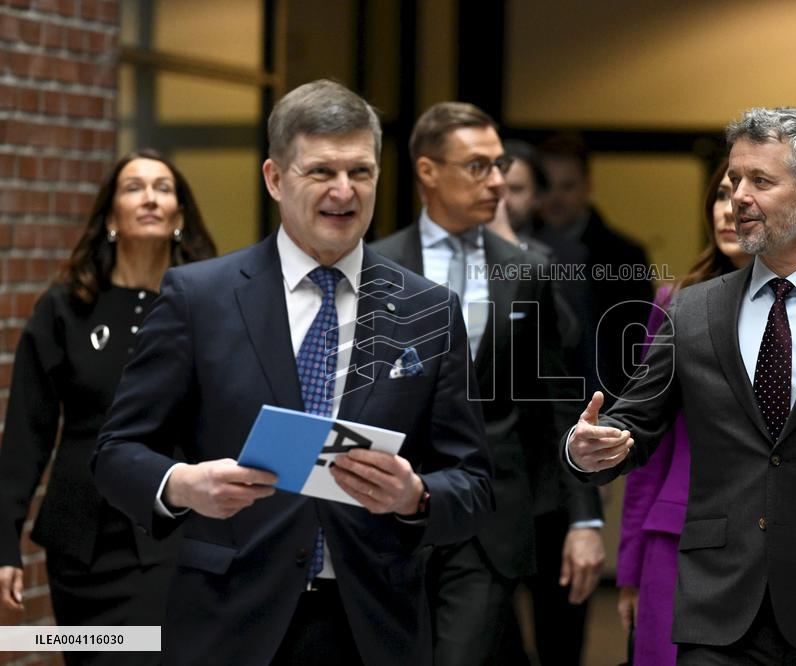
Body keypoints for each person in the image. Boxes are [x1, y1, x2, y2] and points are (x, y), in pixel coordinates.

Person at [91, 80, 493, 666]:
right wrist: (184, 485)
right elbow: (115, 452)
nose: (343, 190)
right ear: (275, 178)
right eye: (321, 172)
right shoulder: (200, 297)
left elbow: (475, 482)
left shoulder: (428, 309)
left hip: (375, 624)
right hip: (229, 621)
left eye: (361, 172)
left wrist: (416, 495)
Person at [567, 107, 796, 665]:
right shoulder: (693, 309)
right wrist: (590, 447)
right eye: (734, 180)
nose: (739, 195)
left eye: (760, 181)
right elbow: (633, 424)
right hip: (716, 605)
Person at [372, 101, 602, 666]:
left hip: (490, 519)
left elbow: (558, 404)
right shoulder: (373, 267)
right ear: (428, 171)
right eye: (479, 166)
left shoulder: (525, 271)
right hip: (386, 515)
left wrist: (585, 519)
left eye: (500, 166)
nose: (497, 181)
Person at [0, 149, 216, 663]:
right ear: (111, 216)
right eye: (133, 187)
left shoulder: (209, 307)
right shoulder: (65, 308)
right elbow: (26, 435)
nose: (149, 197)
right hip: (81, 546)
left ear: (180, 216)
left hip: (174, 533)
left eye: (164, 188)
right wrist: (3, 544)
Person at [616, 160, 750, 666]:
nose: (729, 209)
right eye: (719, 195)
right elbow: (649, 446)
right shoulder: (677, 303)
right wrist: (628, 570)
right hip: (677, 534)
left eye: (746, 192)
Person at [533, 132, 654, 406]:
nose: (556, 198)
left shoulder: (624, 255)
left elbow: (638, 343)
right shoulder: (513, 251)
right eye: (547, 187)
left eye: (567, 186)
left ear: (587, 186)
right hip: (535, 400)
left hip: (606, 396)